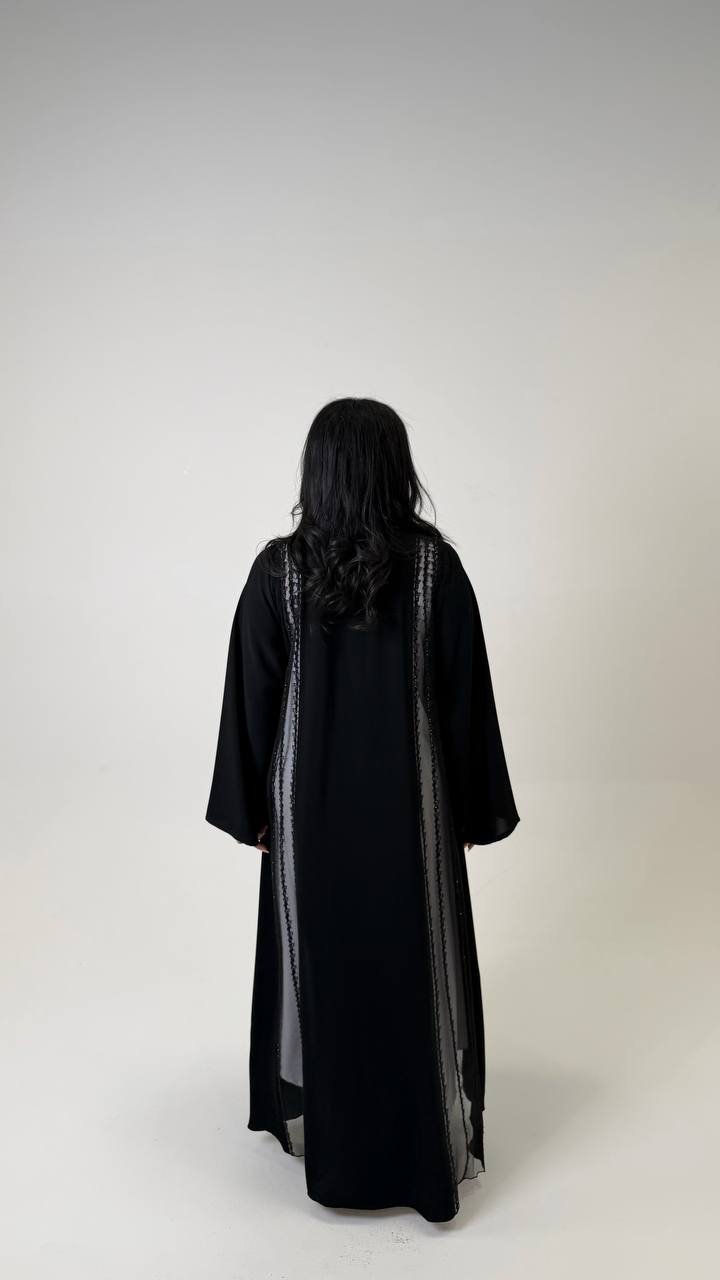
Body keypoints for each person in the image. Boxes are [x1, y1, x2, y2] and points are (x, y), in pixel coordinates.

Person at [205, 396, 520, 1222]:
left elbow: (251, 696)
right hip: (414, 807)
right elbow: (464, 699)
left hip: (306, 811)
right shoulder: (434, 569)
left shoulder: (278, 572)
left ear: (318, 470)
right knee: (412, 962)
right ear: (395, 468)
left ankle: (340, 1155)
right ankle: (415, 1154)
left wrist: (252, 807)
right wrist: (472, 809)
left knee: (326, 964)